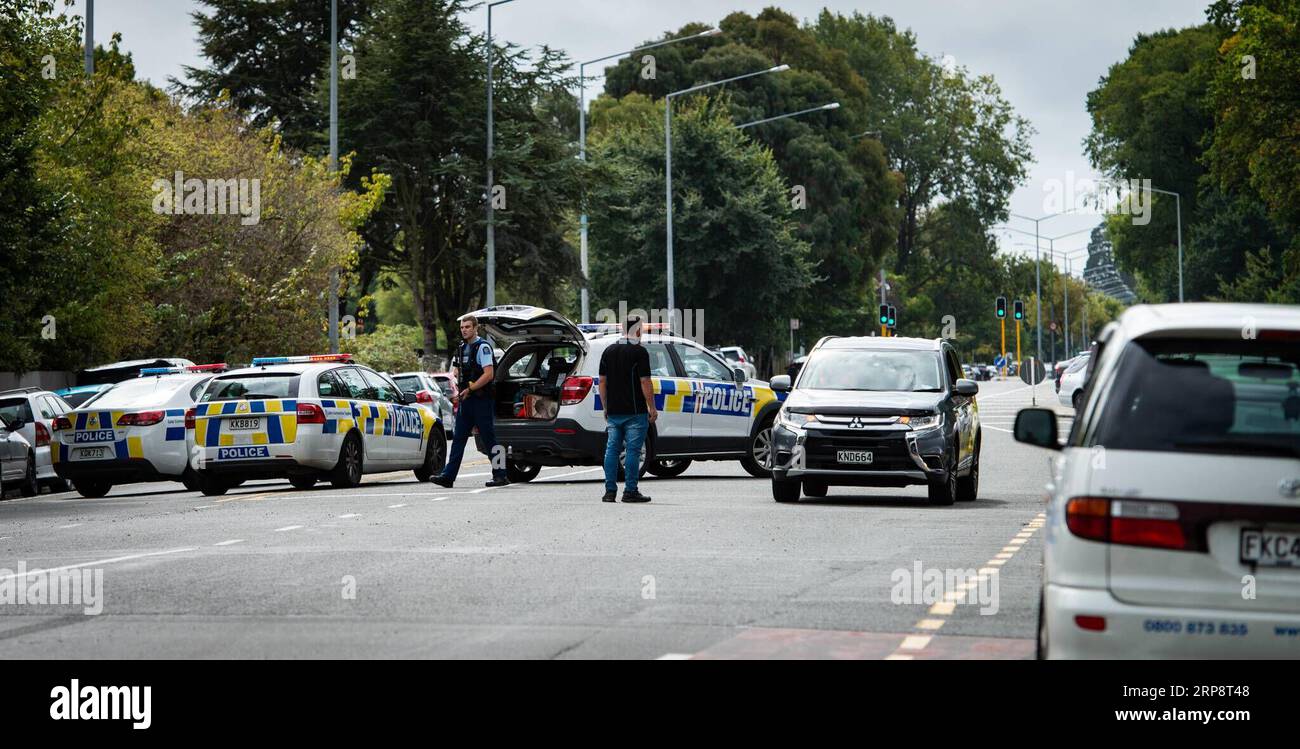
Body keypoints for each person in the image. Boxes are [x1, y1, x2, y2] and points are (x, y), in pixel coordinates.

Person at [432, 315, 509, 488]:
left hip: (481, 400)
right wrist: (460, 387)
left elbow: (489, 374)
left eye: (467, 327)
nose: (464, 330)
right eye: (462, 327)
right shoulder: (461, 348)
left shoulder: (483, 347)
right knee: (458, 438)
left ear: (475, 328)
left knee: (489, 438)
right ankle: (448, 476)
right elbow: (456, 371)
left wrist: (471, 389)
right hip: (466, 399)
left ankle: (501, 475)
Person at [598, 316, 658, 503]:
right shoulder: (639, 352)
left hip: (614, 411)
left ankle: (609, 492)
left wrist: (605, 406)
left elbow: (602, 381)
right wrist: (652, 407)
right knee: (632, 451)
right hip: (635, 412)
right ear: (638, 331)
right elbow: (645, 381)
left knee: (612, 450)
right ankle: (630, 491)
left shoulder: (608, 351)